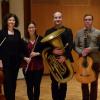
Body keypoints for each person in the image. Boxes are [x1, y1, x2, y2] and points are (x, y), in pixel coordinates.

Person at [44, 11, 74, 100]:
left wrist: (64, 56)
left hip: (64, 59)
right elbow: (45, 46)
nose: (58, 19)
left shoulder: (68, 31)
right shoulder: (48, 31)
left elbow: (70, 45)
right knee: (54, 82)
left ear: (62, 18)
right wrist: (52, 50)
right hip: (53, 60)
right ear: (53, 19)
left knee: (64, 82)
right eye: (56, 17)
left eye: (59, 17)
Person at [74, 14, 100, 100]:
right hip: (83, 62)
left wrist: (91, 49)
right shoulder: (79, 33)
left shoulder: (98, 32)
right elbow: (75, 46)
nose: (87, 21)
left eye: (89, 19)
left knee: (94, 83)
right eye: (86, 19)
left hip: (95, 61)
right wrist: (81, 52)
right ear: (83, 21)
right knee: (84, 83)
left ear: (92, 21)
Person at [0, 13, 25, 100]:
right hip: (6, 62)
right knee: (7, 82)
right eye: (10, 20)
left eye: (13, 20)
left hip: (15, 62)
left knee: (14, 82)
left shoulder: (17, 33)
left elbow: (20, 47)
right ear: (6, 21)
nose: (12, 21)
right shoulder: (2, 32)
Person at [22, 21, 44, 100]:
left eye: (32, 27)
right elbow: (19, 53)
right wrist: (25, 58)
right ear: (27, 29)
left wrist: (37, 53)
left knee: (37, 86)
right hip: (27, 67)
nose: (31, 29)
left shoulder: (40, 39)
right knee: (29, 86)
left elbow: (45, 51)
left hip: (38, 67)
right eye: (29, 27)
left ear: (35, 28)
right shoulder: (23, 40)